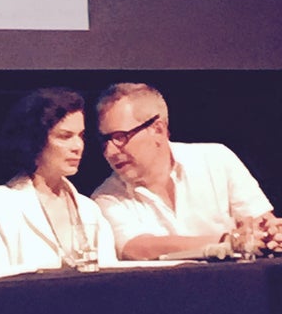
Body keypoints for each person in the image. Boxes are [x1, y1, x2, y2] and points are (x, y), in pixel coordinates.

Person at [92, 82, 282, 260]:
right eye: (105, 141)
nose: (110, 151)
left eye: (119, 137)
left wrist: (271, 233)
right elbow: (137, 247)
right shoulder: (106, 197)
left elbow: (259, 222)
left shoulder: (216, 159)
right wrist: (226, 241)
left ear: (157, 129)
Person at [0, 87, 116, 276]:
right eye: (65, 136)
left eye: (81, 136)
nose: (78, 146)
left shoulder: (89, 210)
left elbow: (111, 279)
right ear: (36, 139)